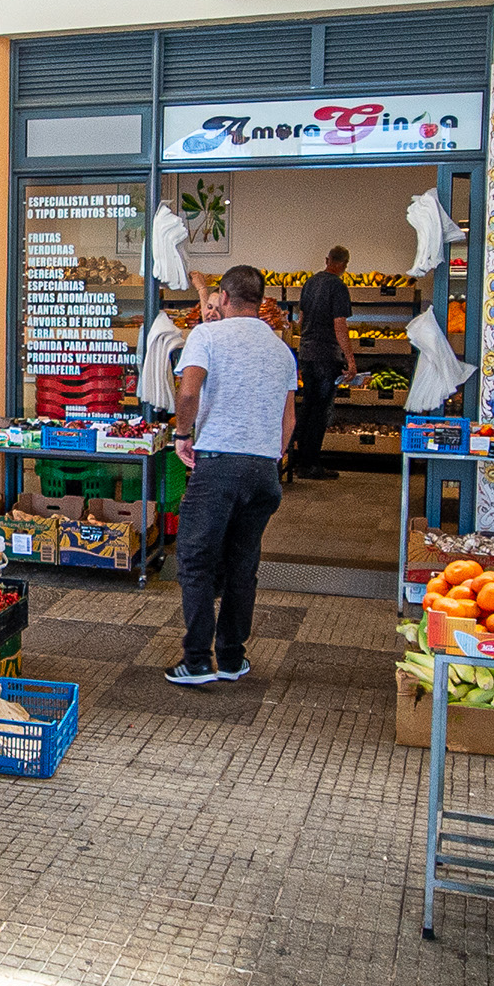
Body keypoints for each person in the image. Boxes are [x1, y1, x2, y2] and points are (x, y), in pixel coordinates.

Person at [167, 265, 296, 688]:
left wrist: (182, 435)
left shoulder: (207, 337)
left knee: (196, 560)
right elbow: (289, 420)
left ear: (223, 297)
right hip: (263, 471)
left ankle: (197, 661)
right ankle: (232, 657)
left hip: (219, 465)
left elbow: (189, 391)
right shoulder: (281, 350)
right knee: (243, 564)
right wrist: (271, 456)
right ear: (260, 300)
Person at [290, 245, 355, 480]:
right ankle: (311, 464)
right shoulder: (338, 287)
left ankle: (298, 461)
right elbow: (340, 325)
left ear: (327, 260)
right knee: (320, 412)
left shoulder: (310, 283)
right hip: (326, 356)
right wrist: (350, 359)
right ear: (344, 265)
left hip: (307, 354)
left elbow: (300, 320)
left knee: (308, 407)